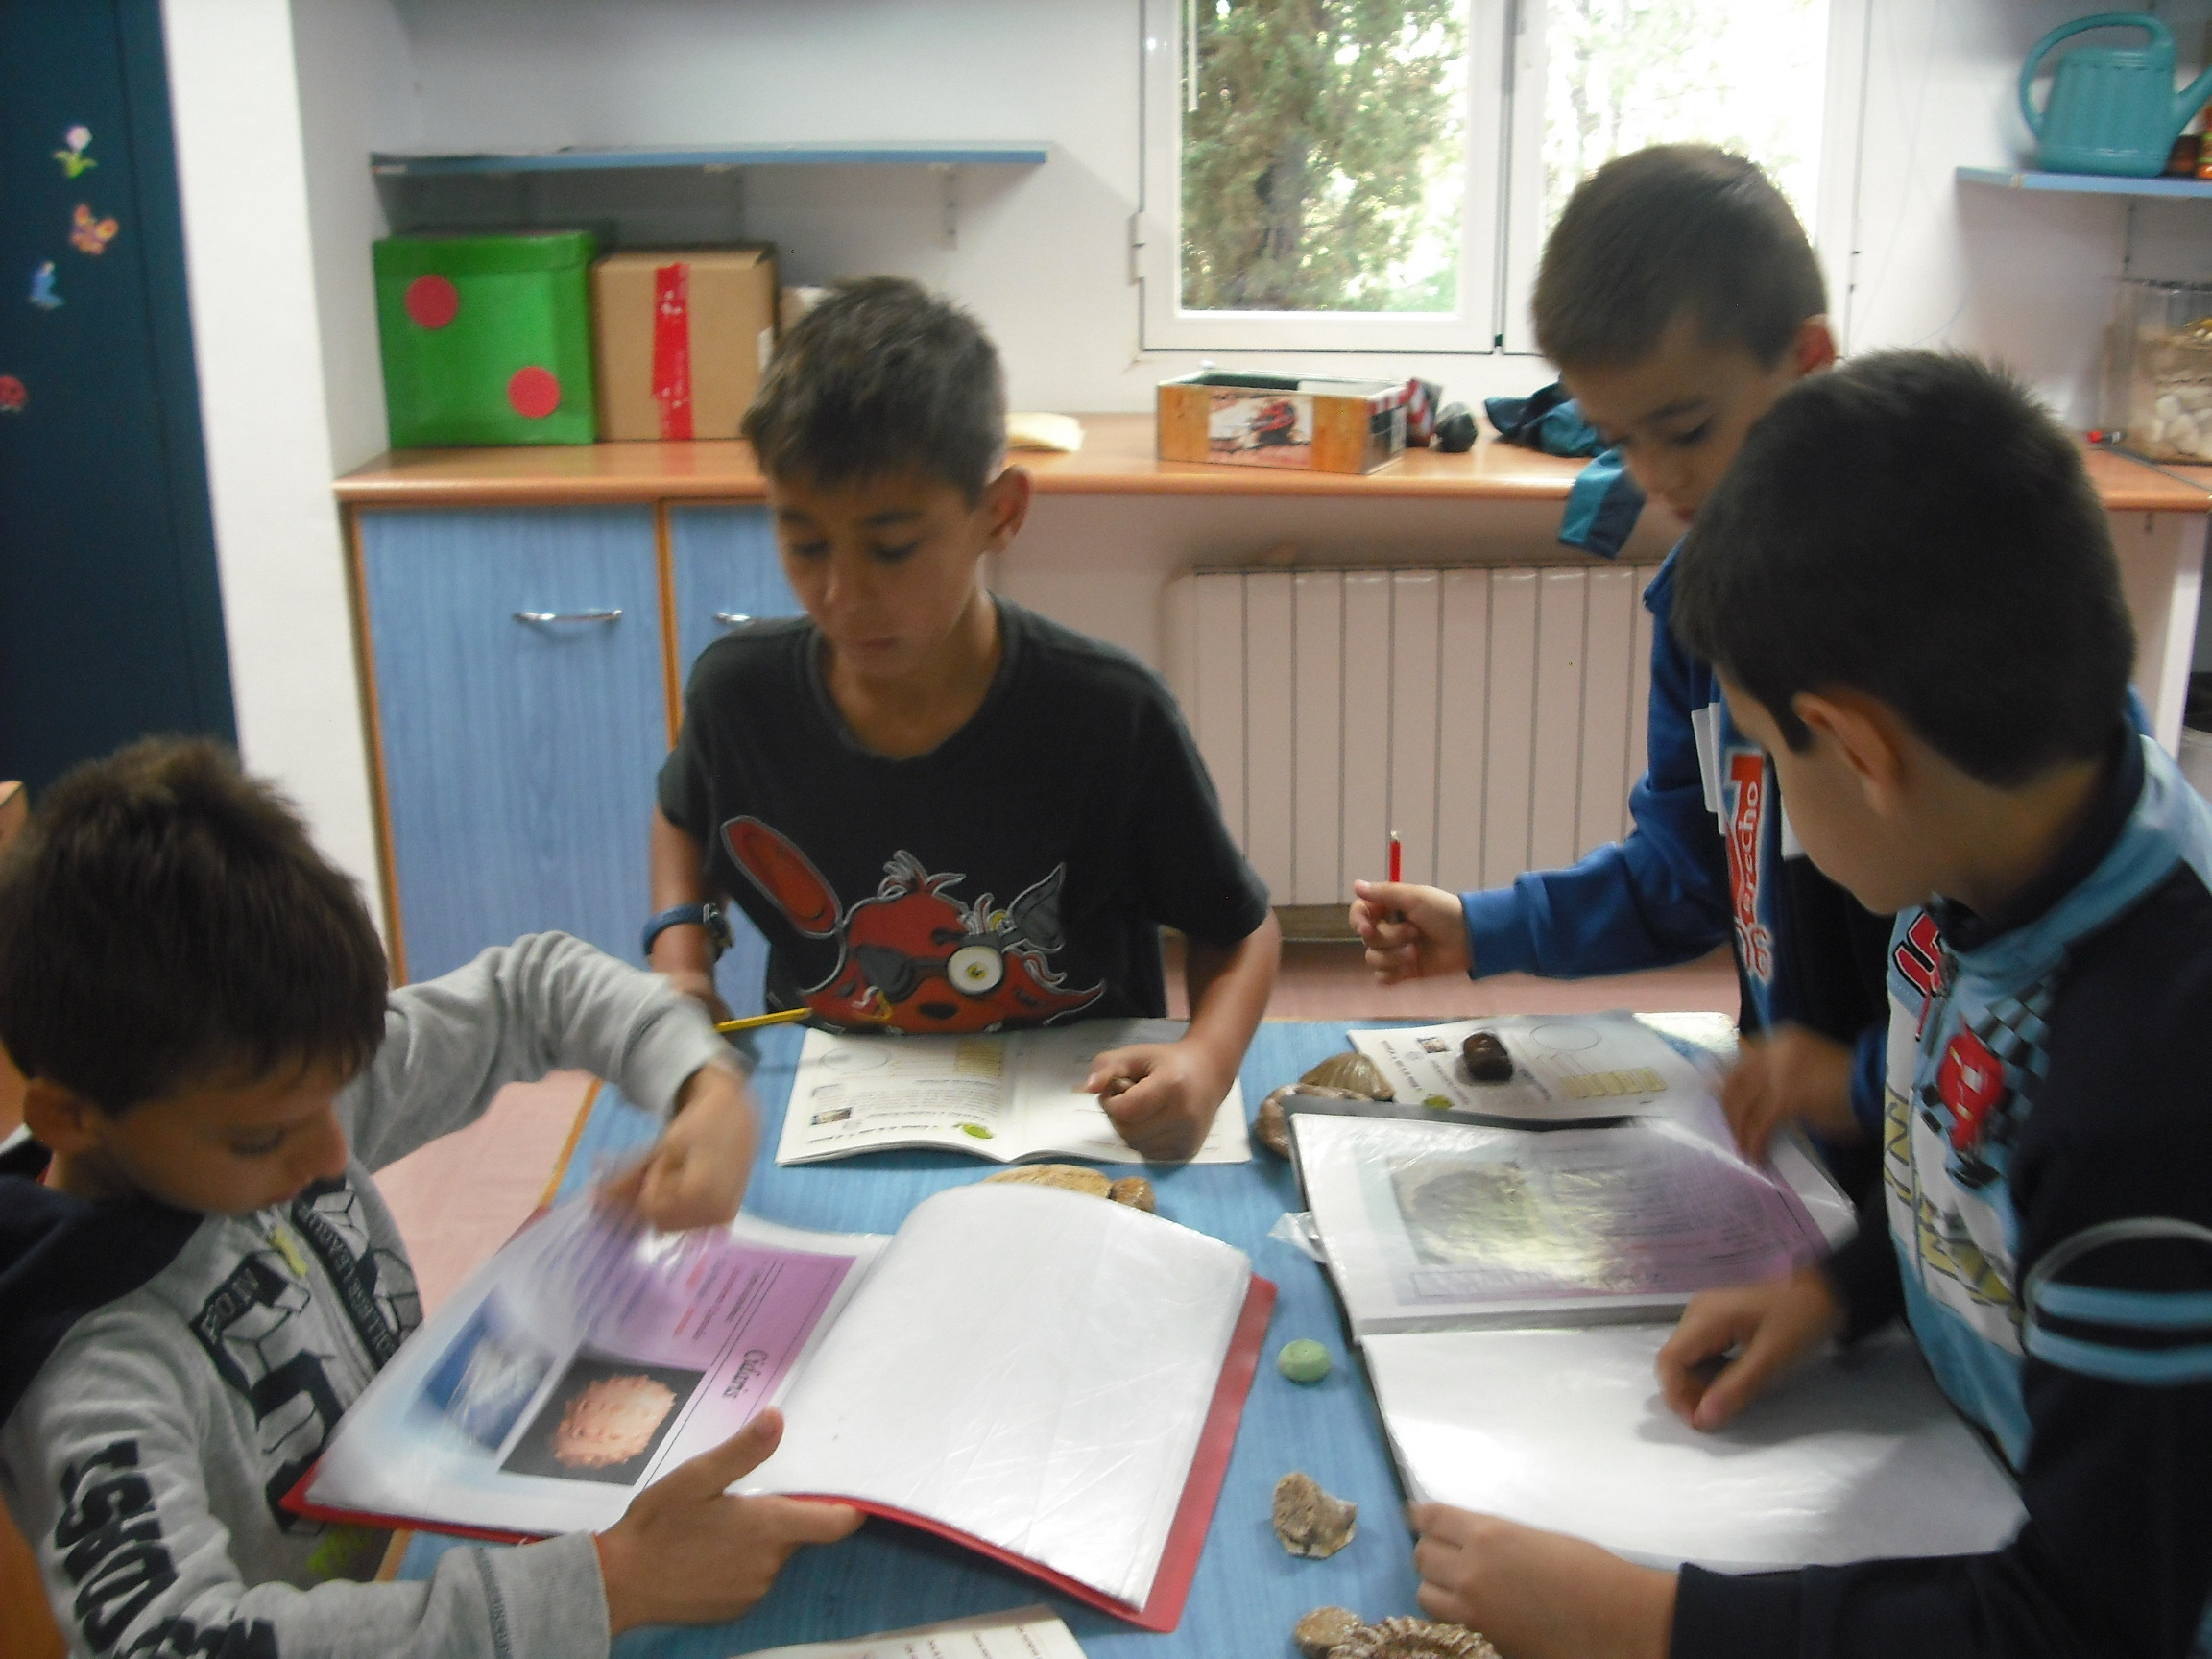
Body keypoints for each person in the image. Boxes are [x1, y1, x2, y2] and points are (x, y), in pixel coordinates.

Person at [1409, 351, 2212, 1657]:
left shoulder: (2145, 1094)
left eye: (1771, 754)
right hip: (1997, 1469)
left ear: (1856, 751)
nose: (1767, 797)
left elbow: (2095, 1627)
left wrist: (1650, 1626)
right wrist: (1842, 1293)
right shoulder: (1996, 857)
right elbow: (1967, 1169)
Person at [0, 738, 860, 1658]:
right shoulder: (93, 1369)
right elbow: (169, 1642)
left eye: (337, 1095)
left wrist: (703, 1083)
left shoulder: (259, 1088)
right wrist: (613, 1585)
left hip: (433, 1539)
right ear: (71, 1118)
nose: (333, 1153)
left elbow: (533, 990)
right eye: (264, 1140)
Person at [649, 276, 1279, 1162]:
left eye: (892, 548)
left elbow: (1240, 930)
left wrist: (1205, 1063)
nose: (842, 594)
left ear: (1001, 513)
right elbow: (684, 814)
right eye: (805, 544)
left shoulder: (1109, 716)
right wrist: (682, 961)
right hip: (837, 1116)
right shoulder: (739, 695)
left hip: (1072, 1121)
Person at [1348, 145, 1885, 1166]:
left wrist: (1863, 1081)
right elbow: (1689, 878)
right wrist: (1481, 928)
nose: (1655, 477)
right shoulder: (1697, 609)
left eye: (1685, 429)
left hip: (1953, 1164)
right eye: (1619, 440)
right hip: (1809, 1145)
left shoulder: (1946, 597)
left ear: (1808, 360)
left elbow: (2041, 976)